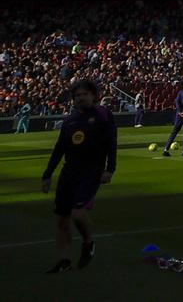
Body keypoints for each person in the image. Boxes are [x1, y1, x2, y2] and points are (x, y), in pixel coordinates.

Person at [41, 78, 116, 273]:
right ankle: (64, 260)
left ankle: (88, 241)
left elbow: (111, 143)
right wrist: (48, 174)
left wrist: (110, 169)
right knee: (62, 220)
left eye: (84, 94)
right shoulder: (70, 121)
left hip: (91, 172)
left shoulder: (102, 115)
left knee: (78, 214)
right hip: (69, 173)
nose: (81, 98)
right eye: (77, 95)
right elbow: (59, 148)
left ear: (93, 96)